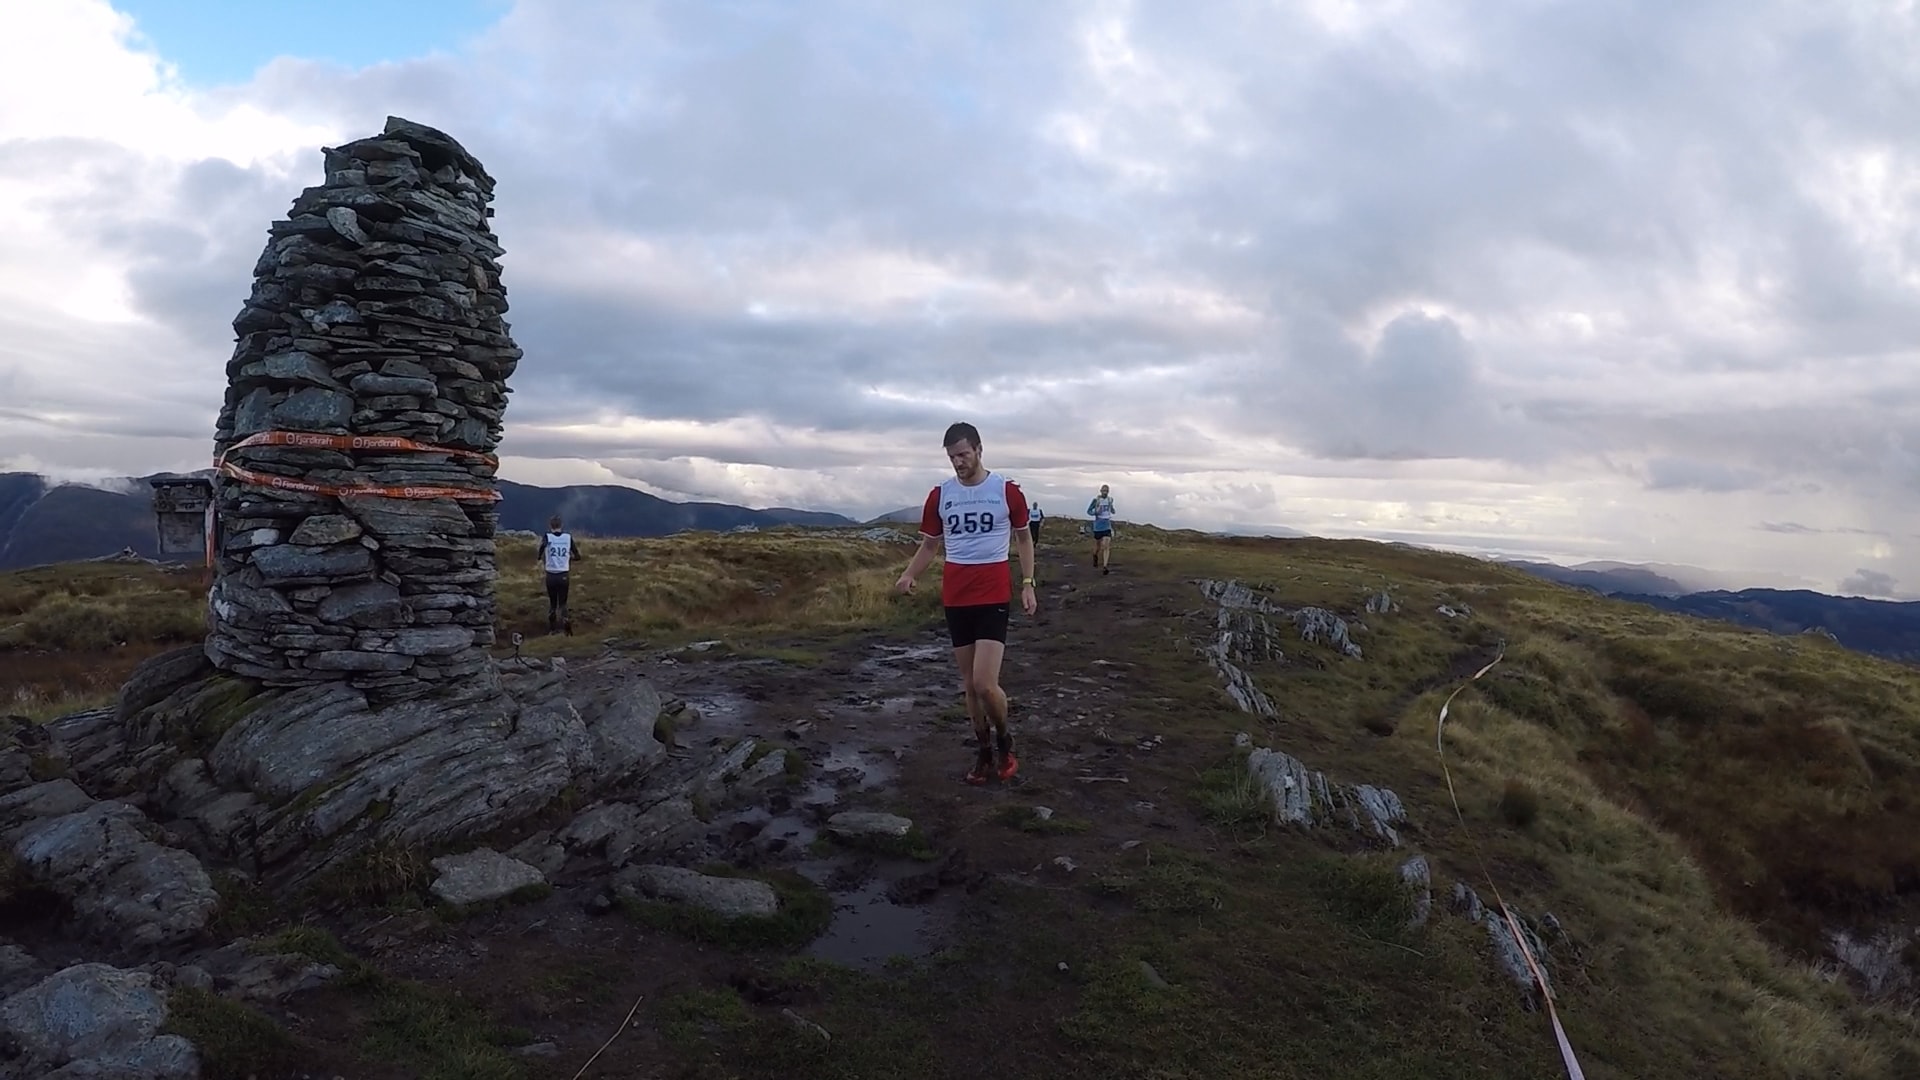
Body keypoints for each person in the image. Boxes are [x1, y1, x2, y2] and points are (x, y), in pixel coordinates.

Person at [896, 422, 1038, 785]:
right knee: (969, 685)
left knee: (985, 683)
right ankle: (984, 750)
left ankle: (1005, 740)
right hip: (956, 595)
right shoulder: (940, 495)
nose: (958, 462)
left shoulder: (1006, 491)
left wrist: (1027, 583)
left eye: (963, 454)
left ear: (978, 450)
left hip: (992, 592)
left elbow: (1023, 539)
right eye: (952, 457)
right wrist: (909, 574)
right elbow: (930, 544)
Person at [537, 515, 583, 634]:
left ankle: (552, 629)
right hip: (563, 574)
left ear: (550, 526)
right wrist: (569, 559)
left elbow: (542, 547)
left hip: (551, 575)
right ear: (561, 525)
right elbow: (577, 556)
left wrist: (539, 557)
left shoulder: (548, 537)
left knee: (553, 604)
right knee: (563, 603)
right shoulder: (568, 538)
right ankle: (566, 625)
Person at [1086, 484, 1115, 574]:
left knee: (1106, 546)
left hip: (1107, 525)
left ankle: (1105, 567)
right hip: (1098, 527)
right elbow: (1088, 511)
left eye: (1107, 491)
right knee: (1098, 546)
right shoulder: (1096, 500)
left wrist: (1112, 509)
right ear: (1101, 491)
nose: (1105, 492)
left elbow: (1111, 509)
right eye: (1104, 491)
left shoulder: (1110, 500)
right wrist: (1096, 512)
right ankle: (1095, 555)